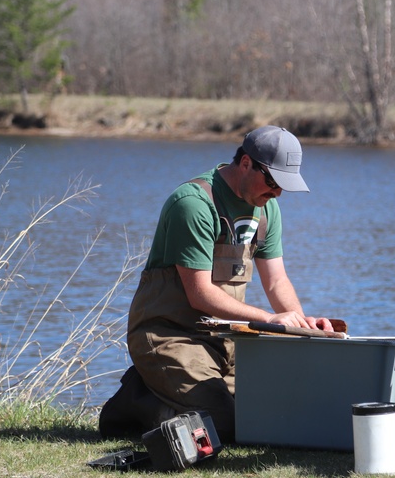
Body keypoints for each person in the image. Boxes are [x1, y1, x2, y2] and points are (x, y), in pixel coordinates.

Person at [99, 126, 333, 443]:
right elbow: (199, 293)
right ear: (247, 163)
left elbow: (277, 280)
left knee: (268, 413)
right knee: (226, 425)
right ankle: (137, 402)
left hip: (225, 339)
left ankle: (165, 385)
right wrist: (269, 319)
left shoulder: (267, 208)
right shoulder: (194, 204)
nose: (277, 193)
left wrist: (300, 325)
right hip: (171, 334)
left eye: (284, 186)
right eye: (274, 182)